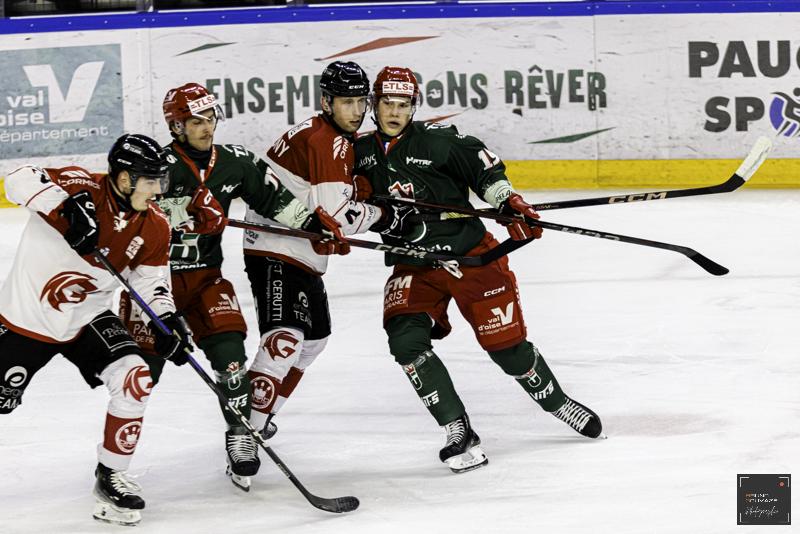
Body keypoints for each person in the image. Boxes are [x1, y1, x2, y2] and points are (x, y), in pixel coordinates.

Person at [353, 66, 604, 474]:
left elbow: (485, 171)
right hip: (414, 263)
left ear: (413, 107)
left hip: (471, 258)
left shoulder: (438, 141)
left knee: (507, 351)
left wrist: (509, 203)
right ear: (374, 105)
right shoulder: (357, 151)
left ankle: (558, 403)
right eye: (387, 104)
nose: (394, 112)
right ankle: (458, 429)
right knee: (405, 341)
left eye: (403, 104)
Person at [117, 82, 347, 492]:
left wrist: (313, 227)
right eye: (195, 121)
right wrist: (182, 210)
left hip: (206, 278)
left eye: (210, 118)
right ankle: (114, 467)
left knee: (232, 360)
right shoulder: (158, 165)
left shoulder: (235, 161)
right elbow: (131, 210)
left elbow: (274, 200)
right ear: (176, 126)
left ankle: (240, 435)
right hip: (152, 282)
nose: (207, 127)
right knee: (140, 379)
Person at [0, 134, 192, 525]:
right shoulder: (78, 184)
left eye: (161, 180)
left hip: (88, 315)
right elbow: (16, 179)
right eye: (150, 180)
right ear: (124, 179)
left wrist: (166, 319)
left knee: (135, 377)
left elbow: (151, 282)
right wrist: (66, 208)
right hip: (24, 320)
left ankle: (110, 476)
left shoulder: (155, 225)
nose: (158, 190)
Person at [243, 61, 400, 446]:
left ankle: (260, 415)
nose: (357, 111)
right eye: (347, 102)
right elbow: (339, 219)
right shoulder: (325, 140)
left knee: (313, 341)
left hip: (298, 249)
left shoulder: (326, 134)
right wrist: (384, 214)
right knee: (285, 339)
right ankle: (245, 428)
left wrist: (356, 192)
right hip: (275, 246)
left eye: (362, 101)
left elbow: (328, 204)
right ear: (327, 102)